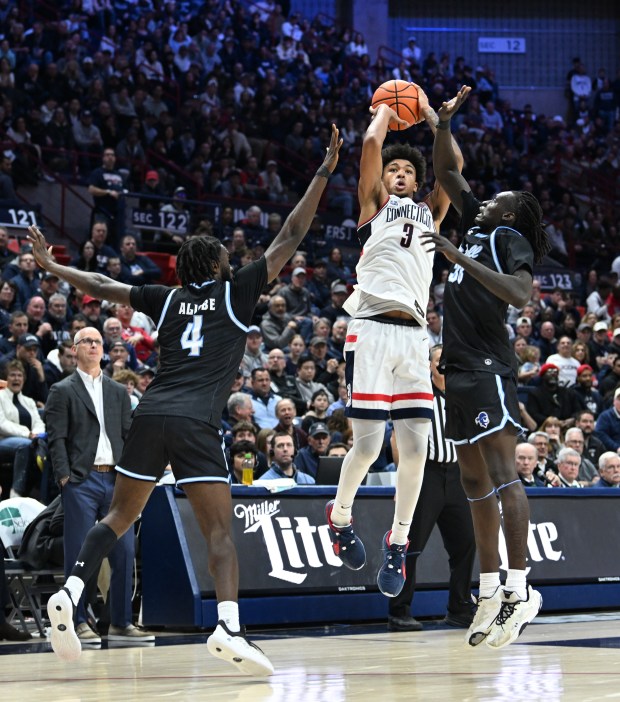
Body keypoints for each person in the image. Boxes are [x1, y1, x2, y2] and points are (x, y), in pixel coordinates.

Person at [28, 123, 342, 675]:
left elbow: (102, 285)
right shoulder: (236, 290)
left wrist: (53, 268)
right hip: (196, 420)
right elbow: (290, 234)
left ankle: (72, 589)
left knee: (120, 517)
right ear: (218, 266)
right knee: (220, 531)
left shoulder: (166, 298)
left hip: (151, 413)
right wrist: (321, 172)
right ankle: (230, 627)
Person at [419, 88, 550, 649]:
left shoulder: (509, 237)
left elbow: (520, 295)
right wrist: (442, 124)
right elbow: (447, 170)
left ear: (513, 211)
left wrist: (457, 258)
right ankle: (491, 588)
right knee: (472, 481)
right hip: (459, 366)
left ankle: (521, 590)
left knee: (502, 477)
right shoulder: (477, 223)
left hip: (491, 365)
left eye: (499, 196)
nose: (487, 197)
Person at [326, 86, 467, 599]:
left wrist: (434, 117)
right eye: (393, 171)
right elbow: (368, 144)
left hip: (414, 338)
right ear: (383, 182)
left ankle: (397, 541)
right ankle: (340, 518)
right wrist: (387, 107)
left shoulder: (431, 210)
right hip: (370, 330)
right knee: (366, 447)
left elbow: (453, 165)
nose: (400, 173)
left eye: (407, 170)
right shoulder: (373, 207)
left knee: (415, 447)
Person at [45, 325, 151, 644]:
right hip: (81, 479)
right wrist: (65, 477)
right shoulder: (61, 390)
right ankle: (78, 620)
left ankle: (119, 622)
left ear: (103, 350)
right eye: (86, 341)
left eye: (97, 341)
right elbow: (56, 439)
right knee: (79, 553)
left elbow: (128, 436)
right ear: (75, 349)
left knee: (124, 552)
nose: (93, 345)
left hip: (117, 480)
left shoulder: (119, 392)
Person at [387, 345, 476, 632]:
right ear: (429, 366)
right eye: (441, 361)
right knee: (410, 544)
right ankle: (399, 610)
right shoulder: (420, 395)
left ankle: (459, 608)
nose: (446, 366)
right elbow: (397, 440)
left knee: (466, 543)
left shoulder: (463, 398)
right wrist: (404, 480)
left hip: (457, 475)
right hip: (425, 474)